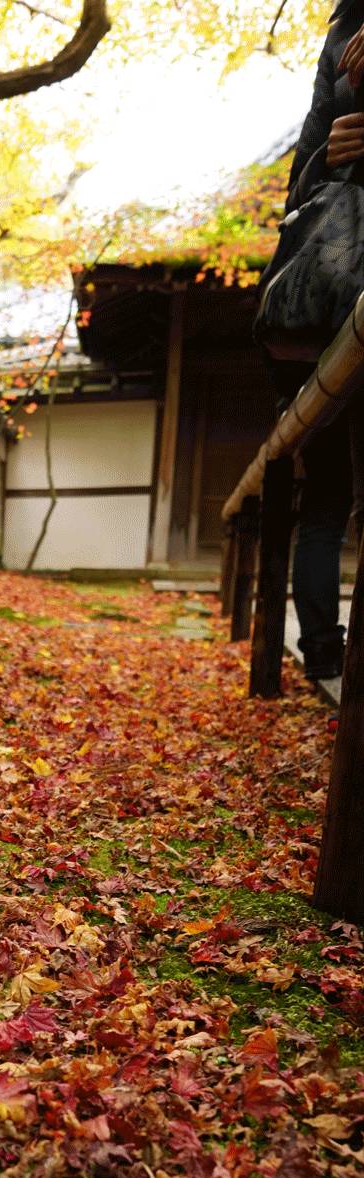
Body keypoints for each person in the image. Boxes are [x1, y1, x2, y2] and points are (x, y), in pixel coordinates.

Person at [279, 3, 364, 682]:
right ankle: (323, 651)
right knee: (328, 483)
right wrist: (325, 158)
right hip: (338, 293)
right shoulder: (341, 33)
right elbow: (297, 184)